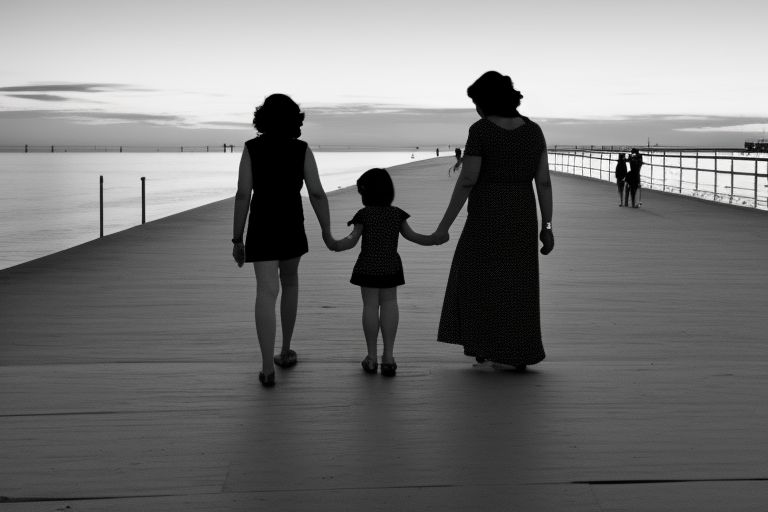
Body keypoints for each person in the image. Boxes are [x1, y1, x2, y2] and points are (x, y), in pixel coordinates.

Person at [432, 71, 554, 372]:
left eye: (476, 102)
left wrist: (444, 226)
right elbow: (544, 182)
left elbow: (467, 179)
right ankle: (518, 350)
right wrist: (547, 227)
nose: (476, 108)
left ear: (486, 101)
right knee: (518, 284)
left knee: (477, 280)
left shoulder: (482, 130)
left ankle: (486, 347)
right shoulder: (534, 131)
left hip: (487, 215)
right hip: (523, 216)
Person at [232, 93, 334, 387]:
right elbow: (316, 192)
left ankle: (267, 369)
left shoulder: (252, 148)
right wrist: (326, 231)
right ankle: (286, 349)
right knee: (290, 283)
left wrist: (237, 239)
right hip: (291, 224)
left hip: (262, 225)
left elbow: (242, 194)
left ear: (262, 118)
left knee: (265, 292)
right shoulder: (301, 149)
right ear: (294, 119)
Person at [329, 168, 439, 377]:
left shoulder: (364, 215)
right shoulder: (396, 214)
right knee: (390, 305)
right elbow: (414, 236)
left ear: (367, 193)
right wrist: (433, 239)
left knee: (370, 306)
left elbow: (351, 239)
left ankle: (371, 358)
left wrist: (336, 244)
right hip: (390, 266)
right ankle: (388, 357)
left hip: (367, 267)